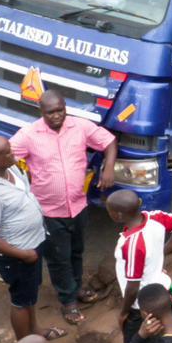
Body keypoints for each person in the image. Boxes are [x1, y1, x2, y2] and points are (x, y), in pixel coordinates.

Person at [14, 93, 117, 312]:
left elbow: (109, 141)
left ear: (65, 107)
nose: (56, 116)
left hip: (78, 205)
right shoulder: (29, 135)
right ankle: (67, 301)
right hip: (49, 211)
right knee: (58, 258)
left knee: (76, 251)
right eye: (50, 112)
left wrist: (108, 167)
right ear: (41, 112)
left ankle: (77, 287)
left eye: (60, 110)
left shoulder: (80, 126)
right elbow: (4, 157)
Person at [0, 132, 68, 341]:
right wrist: (24, 255)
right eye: (7, 152)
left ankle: (34, 330)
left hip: (33, 242)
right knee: (20, 302)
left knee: (29, 297)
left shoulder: (10, 168)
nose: (13, 153)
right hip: (18, 254)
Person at [106, 188, 172, 343]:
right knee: (166, 342)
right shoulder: (156, 217)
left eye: (109, 210)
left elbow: (132, 287)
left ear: (118, 215)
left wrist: (124, 313)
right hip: (165, 293)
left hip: (142, 306)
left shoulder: (132, 244)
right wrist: (158, 256)